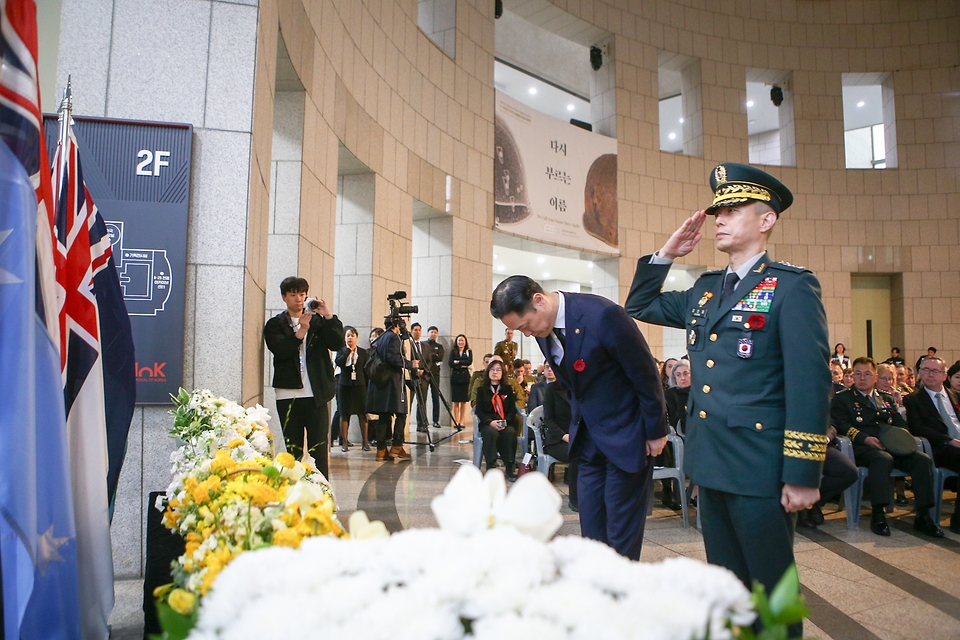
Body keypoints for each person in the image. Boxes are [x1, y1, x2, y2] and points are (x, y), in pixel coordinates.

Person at [625, 163, 828, 637]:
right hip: (711, 460)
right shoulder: (705, 289)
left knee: (771, 589)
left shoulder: (793, 287)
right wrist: (665, 254)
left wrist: (802, 472)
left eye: (733, 209)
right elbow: (640, 305)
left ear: (765, 220)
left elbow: (809, 381)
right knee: (728, 587)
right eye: (718, 209)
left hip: (761, 465)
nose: (719, 217)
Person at [491, 275, 667, 561]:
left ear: (538, 300)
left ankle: (621, 597)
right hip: (586, 441)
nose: (526, 334)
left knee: (620, 534)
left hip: (626, 435)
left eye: (524, 326)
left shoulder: (603, 315)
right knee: (592, 532)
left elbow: (645, 373)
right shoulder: (544, 331)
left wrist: (656, 430)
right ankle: (594, 593)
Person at [831, 357, 942, 537]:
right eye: (858, 373)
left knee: (922, 460)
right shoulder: (843, 399)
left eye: (867, 374)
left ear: (875, 377)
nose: (862, 378)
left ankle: (923, 515)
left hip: (890, 446)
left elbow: (901, 425)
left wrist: (898, 438)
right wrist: (865, 438)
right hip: (863, 448)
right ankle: (878, 514)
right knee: (882, 459)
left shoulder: (886, 398)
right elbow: (841, 425)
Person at [263, 276, 345, 479]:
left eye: (302, 294)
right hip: (287, 394)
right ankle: (296, 493)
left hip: (316, 393)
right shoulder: (275, 324)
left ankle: (323, 493)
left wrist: (328, 317)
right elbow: (280, 351)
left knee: (319, 448)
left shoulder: (318, 321)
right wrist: (301, 332)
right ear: (284, 297)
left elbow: (336, 343)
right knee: (294, 450)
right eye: (293, 294)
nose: (298, 299)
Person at [904, 356, 960, 532]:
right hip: (940, 448)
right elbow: (918, 428)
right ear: (920, 373)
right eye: (926, 370)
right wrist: (950, 441)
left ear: (944, 376)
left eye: (935, 371)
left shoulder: (955, 396)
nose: (930, 375)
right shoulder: (913, 400)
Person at [366, 318, 414, 462]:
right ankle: (397, 446)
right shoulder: (393, 337)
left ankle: (381, 451)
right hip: (392, 382)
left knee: (384, 416)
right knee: (401, 413)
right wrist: (411, 364)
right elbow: (393, 359)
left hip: (381, 382)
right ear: (397, 325)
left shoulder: (381, 338)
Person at [796, 424, 858, 529]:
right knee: (800, 465)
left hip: (819, 445)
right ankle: (801, 507)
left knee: (849, 472)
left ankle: (811, 501)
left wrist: (825, 439)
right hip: (791, 445)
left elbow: (831, 425)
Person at [474, 359, 519, 480]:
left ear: (502, 373)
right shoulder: (482, 390)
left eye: (498, 370)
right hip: (488, 423)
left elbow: (512, 409)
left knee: (510, 433)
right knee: (490, 433)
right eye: (492, 369)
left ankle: (509, 467)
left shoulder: (507, 389)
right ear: (488, 372)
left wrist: (505, 422)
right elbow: (479, 410)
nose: (495, 372)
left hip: (505, 422)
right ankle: (490, 466)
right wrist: (490, 422)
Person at [542, 378, 578, 511]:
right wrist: (564, 436)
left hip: (579, 437)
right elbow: (548, 420)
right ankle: (575, 499)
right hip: (558, 440)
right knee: (577, 453)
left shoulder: (580, 387)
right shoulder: (552, 389)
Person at [335, 326, 369, 451]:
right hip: (344, 385)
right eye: (348, 335)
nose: (350, 338)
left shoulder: (363, 352)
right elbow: (339, 362)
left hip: (360, 385)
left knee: (362, 414)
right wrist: (348, 352)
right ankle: (344, 442)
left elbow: (366, 369)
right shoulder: (341, 351)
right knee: (344, 414)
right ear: (344, 338)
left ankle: (365, 442)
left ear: (357, 338)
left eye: (352, 335)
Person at [447, 334, 473, 428]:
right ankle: (456, 421)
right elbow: (450, 363)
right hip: (456, 378)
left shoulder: (468, 351)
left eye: (462, 340)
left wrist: (457, 362)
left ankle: (462, 421)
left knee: (463, 401)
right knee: (456, 401)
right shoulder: (453, 351)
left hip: (465, 378)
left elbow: (469, 362)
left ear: (465, 341)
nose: (460, 342)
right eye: (459, 340)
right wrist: (461, 363)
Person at [408, 322, 429, 432]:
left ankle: (422, 424)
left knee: (422, 402)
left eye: (419, 330)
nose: (417, 332)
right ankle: (407, 424)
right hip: (412, 378)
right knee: (410, 401)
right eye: (415, 330)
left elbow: (429, 361)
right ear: (411, 331)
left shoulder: (425, 346)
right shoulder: (408, 345)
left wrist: (423, 370)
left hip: (423, 378)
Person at [423, 326, 445, 428]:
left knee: (435, 397)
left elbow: (440, 357)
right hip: (424, 373)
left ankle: (435, 420)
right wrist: (433, 355)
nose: (433, 334)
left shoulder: (439, 346)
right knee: (423, 398)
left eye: (435, 332)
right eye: (431, 332)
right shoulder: (424, 344)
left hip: (435, 374)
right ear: (428, 333)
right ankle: (423, 421)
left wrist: (430, 355)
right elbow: (423, 357)